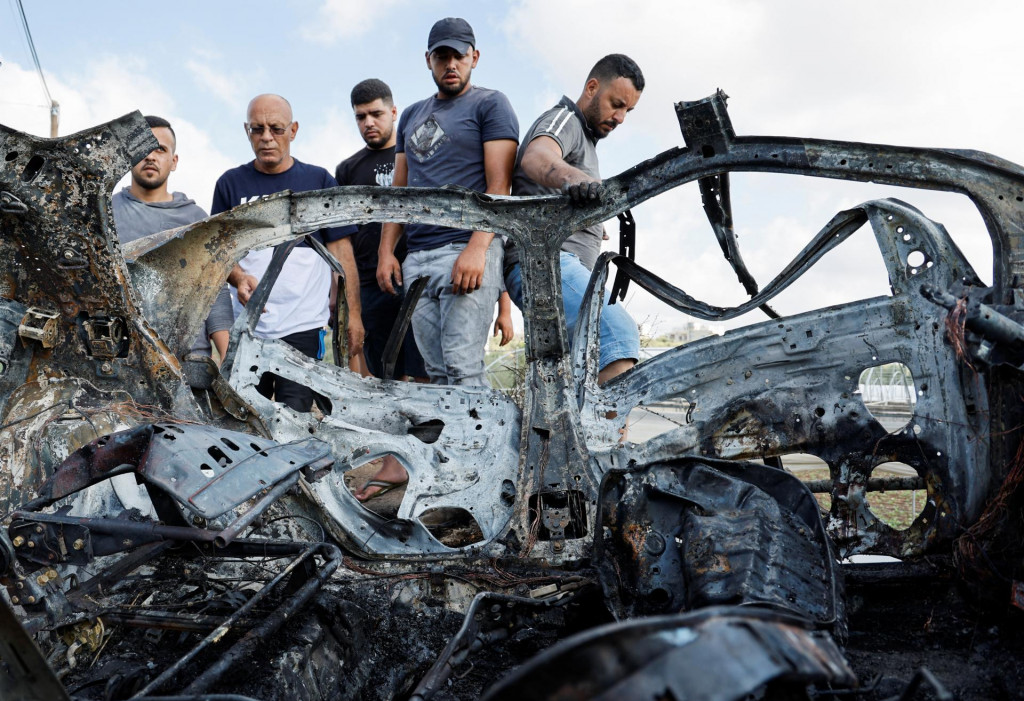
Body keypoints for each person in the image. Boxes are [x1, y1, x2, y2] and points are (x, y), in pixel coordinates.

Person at [361, 18, 518, 501]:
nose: (451, 64)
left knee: (462, 363)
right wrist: (388, 250)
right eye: (441, 56)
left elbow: (499, 186)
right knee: (433, 371)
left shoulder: (491, 104)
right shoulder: (410, 114)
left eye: (459, 55)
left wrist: (478, 246)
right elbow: (400, 192)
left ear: (474, 57)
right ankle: (450, 469)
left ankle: (489, 471)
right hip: (420, 256)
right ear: (429, 60)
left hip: (467, 251)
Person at [504, 54, 645, 385]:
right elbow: (537, 156)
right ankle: (607, 437)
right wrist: (575, 180)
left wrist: (590, 220)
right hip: (546, 265)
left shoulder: (587, 143)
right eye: (616, 104)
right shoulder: (564, 119)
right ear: (592, 87)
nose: (621, 117)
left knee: (570, 381)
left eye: (628, 111)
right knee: (616, 337)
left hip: (559, 267)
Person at [211, 94, 348, 413]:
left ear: (294, 130)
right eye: (257, 129)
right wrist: (239, 277)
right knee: (245, 415)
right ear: (247, 130)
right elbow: (219, 254)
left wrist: (347, 313)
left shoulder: (319, 180)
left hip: (303, 325)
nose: (267, 137)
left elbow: (341, 249)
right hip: (248, 328)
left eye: (276, 128)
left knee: (295, 416)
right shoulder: (230, 184)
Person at [112, 115, 232, 362]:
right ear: (127, 156)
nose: (151, 156)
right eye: (142, 149)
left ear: (173, 161)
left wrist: (230, 362)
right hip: (120, 360)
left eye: (160, 149)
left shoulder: (196, 219)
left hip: (188, 362)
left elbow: (215, 292)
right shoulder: (104, 214)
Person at [335, 78, 428, 382]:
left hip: (413, 276)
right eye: (360, 117)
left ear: (394, 112)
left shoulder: (415, 159)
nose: (368, 123)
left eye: (376, 114)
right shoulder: (347, 169)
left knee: (424, 372)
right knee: (381, 377)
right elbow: (342, 237)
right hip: (368, 283)